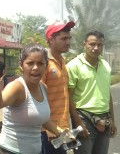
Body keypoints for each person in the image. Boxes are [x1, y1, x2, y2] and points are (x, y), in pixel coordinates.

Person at [0, 43, 66, 154]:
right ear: (21, 65)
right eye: (30, 63)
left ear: (46, 65)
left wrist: (61, 133)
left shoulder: (43, 88)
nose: (35, 68)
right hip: (11, 151)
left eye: (40, 63)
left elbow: (43, 118)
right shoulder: (17, 87)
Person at [66, 30, 117, 154]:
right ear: (84, 44)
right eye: (92, 44)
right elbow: (69, 96)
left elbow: (107, 94)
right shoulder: (74, 66)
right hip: (84, 119)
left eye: (100, 45)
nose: (96, 48)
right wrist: (78, 122)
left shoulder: (105, 65)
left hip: (105, 119)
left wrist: (112, 120)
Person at [41, 21, 75, 154]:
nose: (68, 42)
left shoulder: (62, 61)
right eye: (63, 38)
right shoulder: (43, 63)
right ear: (51, 40)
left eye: (69, 38)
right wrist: (49, 128)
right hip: (47, 131)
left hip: (61, 129)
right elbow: (37, 98)